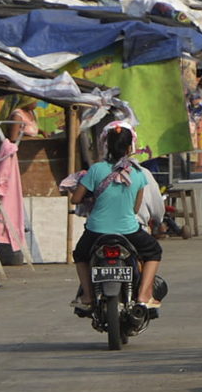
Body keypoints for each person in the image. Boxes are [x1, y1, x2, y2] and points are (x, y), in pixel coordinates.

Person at [67, 125, 162, 313]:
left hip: (96, 231)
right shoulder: (138, 173)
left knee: (80, 255)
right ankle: (144, 295)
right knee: (154, 251)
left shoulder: (95, 170)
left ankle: (87, 296)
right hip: (128, 231)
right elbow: (135, 208)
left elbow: (75, 199)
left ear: (107, 146)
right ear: (129, 147)